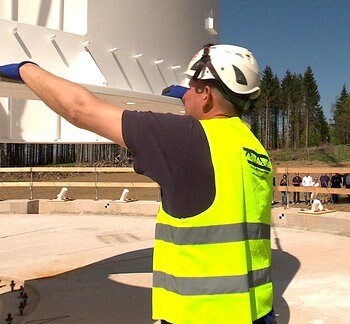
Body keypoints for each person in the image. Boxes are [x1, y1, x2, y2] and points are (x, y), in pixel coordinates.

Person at [1, 44, 276, 323]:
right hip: (257, 312)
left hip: (201, 315)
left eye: (192, 87)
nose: (186, 94)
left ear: (205, 94)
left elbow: (80, 110)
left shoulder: (186, 138)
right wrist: (190, 100)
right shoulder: (253, 148)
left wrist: (27, 70)